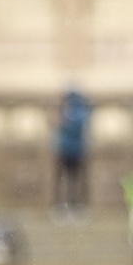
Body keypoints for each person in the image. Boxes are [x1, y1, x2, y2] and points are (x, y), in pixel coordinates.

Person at [53, 88, 90, 219]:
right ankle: (61, 206)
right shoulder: (64, 111)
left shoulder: (77, 112)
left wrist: (63, 123)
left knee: (76, 180)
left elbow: (76, 128)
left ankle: (76, 206)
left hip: (76, 151)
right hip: (64, 151)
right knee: (61, 180)